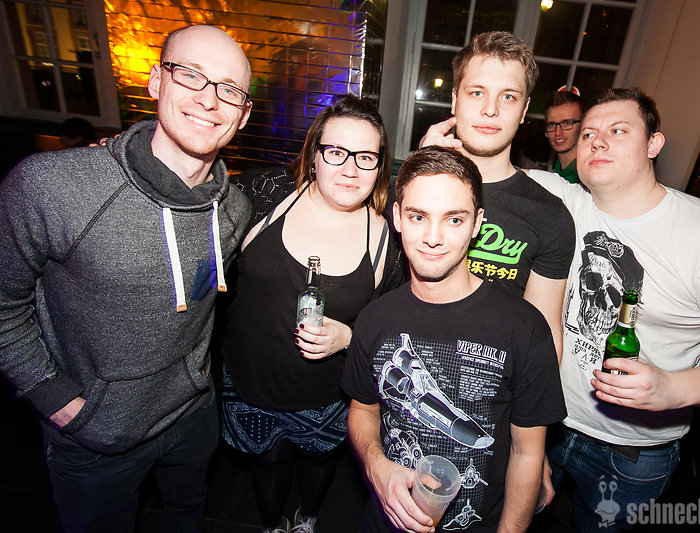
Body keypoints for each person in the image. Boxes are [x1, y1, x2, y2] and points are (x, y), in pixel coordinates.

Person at [0, 25, 253, 533]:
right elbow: (5, 307)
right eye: (191, 75)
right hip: (93, 435)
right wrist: (54, 398)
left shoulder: (234, 210)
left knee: (187, 515)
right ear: (157, 80)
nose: (209, 100)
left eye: (229, 89)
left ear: (243, 115)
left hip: (191, 415)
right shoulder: (52, 186)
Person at [524, 88, 700, 531]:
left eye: (618, 130)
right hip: (546, 422)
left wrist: (675, 387)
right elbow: (487, 169)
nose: (597, 141)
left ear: (654, 144)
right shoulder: (564, 202)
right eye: (588, 133)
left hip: (632, 451)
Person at [342, 146, 566, 533]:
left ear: (477, 223)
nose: (433, 238)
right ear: (397, 217)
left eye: (454, 219)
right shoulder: (375, 319)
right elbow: (363, 410)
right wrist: (376, 465)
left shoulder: (523, 328)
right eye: (418, 216)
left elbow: (527, 452)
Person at [221, 95, 404, 533]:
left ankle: (307, 519)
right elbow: (193, 197)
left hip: (326, 396)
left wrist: (349, 338)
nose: (350, 169)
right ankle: (272, 525)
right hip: (251, 382)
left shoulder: (389, 240)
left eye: (366, 157)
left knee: (318, 462)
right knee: (268, 462)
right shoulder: (264, 194)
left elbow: (394, 332)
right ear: (314, 154)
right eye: (336, 152)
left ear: (380, 166)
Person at [419, 31, 575, 357]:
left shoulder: (549, 216)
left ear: (524, 109)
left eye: (508, 97)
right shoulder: (411, 192)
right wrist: (421, 169)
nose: (490, 109)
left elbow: (543, 334)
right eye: (477, 93)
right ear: (455, 100)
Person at [543, 86, 584, 183]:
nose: (557, 132)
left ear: (583, 126)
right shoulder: (557, 171)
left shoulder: (586, 177)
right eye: (552, 125)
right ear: (546, 132)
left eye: (567, 123)